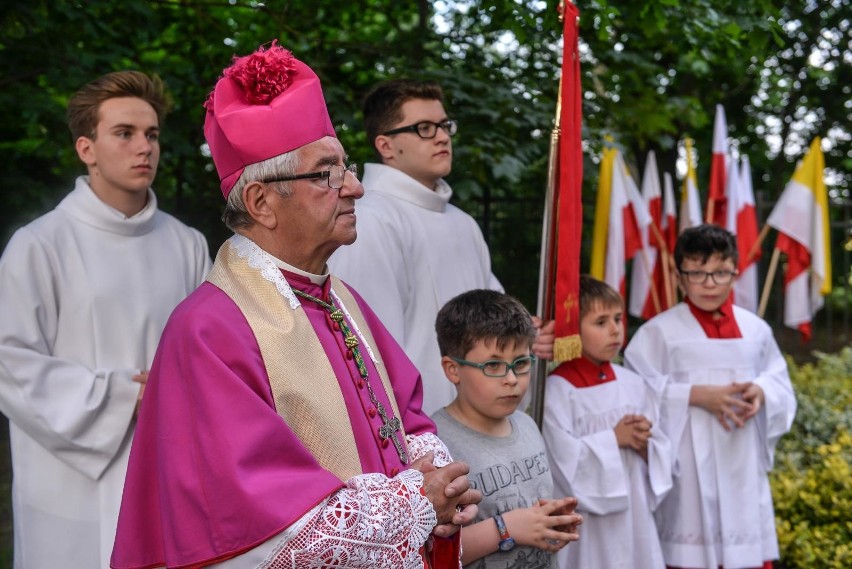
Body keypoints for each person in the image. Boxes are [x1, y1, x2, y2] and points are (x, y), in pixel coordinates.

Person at [111, 41, 480, 569]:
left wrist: (439, 481)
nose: (354, 186)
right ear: (262, 202)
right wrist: (417, 501)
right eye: (326, 173)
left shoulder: (340, 298)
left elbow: (407, 418)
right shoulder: (209, 328)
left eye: (346, 166)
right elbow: (252, 518)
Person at [0, 71, 211, 568]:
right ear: (86, 148)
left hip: (169, 464)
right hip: (69, 481)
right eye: (125, 133)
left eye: (152, 135)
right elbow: (9, 363)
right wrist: (122, 395)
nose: (144, 148)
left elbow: (212, 351)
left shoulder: (188, 244)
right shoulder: (39, 245)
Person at [328, 79, 554, 415]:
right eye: (424, 128)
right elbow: (370, 348)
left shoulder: (463, 222)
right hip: (421, 429)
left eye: (444, 125)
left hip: (480, 420)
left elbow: (493, 319)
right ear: (386, 146)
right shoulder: (370, 219)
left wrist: (527, 336)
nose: (442, 136)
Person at [624, 224, 797, 569]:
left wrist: (762, 391)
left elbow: (779, 382)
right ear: (679, 274)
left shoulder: (756, 330)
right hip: (686, 468)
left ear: (735, 271)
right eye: (698, 273)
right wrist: (694, 395)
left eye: (720, 273)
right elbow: (633, 392)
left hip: (742, 458)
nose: (709, 283)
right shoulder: (657, 333)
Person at [431, 289, 582, 568]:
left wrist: (549, 523)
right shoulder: (434, 445)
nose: (512, 379)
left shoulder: (526, 425)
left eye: (521, 364)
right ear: (453, 369)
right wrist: (505, 528)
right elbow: (428, 551)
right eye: (493, 365)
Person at [542, 275, 673, 568]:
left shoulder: (633, 383)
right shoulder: (558, 391)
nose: (615, 330)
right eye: (601, 322)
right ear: (572, 329)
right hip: (587, 525)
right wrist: (614, 439)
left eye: (618, 319)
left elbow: (662, 450)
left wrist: (644, 446)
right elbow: (562, 464)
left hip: (634, 514)